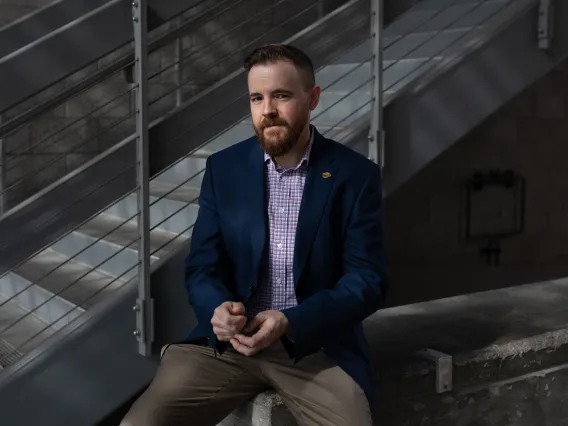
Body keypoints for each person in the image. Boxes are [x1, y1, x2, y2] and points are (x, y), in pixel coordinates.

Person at [120, 44, 387, 426]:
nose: (268, 110)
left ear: (313, 98)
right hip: (230, 345)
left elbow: (367, 281)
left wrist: (291, 321)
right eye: (257, 98)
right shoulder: (223, 168)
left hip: (314, 346)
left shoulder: (355, 175)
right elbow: (202, 266)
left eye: (281, 95)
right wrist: (217, 310)